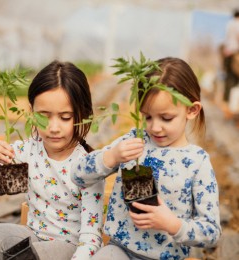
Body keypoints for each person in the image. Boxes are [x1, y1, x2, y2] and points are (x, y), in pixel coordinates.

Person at [72, 57, 222, 259]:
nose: (154, 127)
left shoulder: (197, 161)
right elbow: (78, 175)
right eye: (148, 117)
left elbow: (212, 233)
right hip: (120, 249)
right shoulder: (135, 140)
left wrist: (173, 224)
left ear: (192, 110)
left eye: (166, 118)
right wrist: (111, 156)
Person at [0, 60, 105, 259]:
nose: (53, 127)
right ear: (31, 112)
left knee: (30, 255)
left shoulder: (87, 166)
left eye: (65, 117)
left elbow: (91, 237)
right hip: (32, 237)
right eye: (44, 116)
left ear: (83, 115)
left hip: (68, 248)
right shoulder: (27, 151)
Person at [223, 8, 239, 101]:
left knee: (229, 77)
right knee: (235, 76)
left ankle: (227, 98)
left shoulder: (229, 24)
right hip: (235, 53)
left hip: (228, 53)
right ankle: (232, 101)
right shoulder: (237, 24)